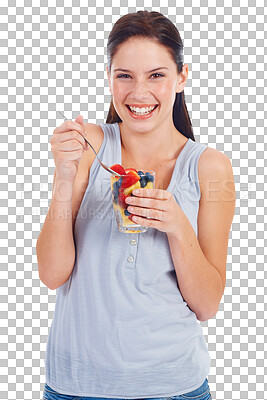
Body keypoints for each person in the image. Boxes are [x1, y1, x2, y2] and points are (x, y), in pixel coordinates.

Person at [37, 10, 236, 400]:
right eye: (124, 76)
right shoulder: (90, 147)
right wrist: (64, 174)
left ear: (181, 77)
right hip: (75, 386)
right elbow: (52, 274)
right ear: (109, 77)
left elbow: (208, 304)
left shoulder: (211, 167)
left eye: (156, 75)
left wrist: (177, 225)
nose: (139, 93)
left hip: (175, 388)